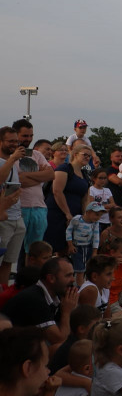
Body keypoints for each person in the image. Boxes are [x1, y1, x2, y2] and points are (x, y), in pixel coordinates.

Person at [10, 120, 55, 282]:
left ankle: (31, 282)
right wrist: (37, 177)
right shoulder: (9, 156)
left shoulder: (37, 155)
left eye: (31, 136)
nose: (28, 139)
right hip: (18, 208)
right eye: (24, 136)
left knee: (35, 253)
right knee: (15, 252)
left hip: (39, 208)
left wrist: (26, 178)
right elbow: (15, 180)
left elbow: (50, 175)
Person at [5, 257, 79, 347]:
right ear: (51, 278)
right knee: (59, 348)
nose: (73, 280)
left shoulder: (57, 294)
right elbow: (59, 340)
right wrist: (67, 311)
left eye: (73, 275)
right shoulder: (34, 299)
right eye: (68, 275)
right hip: (10, 351)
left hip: (26, 346)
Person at [43, 146, 93, 256]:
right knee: (50, 247)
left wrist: (84, 217)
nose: (87, 158)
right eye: (85, 154)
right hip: (57, 214)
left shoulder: (85, 175)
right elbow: (57, 191)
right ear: (75, 154)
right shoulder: (64, 168)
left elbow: (85, 198)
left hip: (74, 216)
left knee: (67, 249)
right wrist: (67, 213)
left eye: (89, 156)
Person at [1, 126, 32, 286]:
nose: (15, 144)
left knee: (9, 261)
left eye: (16, 141)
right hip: (3, 218)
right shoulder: (8, 161)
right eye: (11, 141)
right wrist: (13, 158)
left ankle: (4, 292)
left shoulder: (11, 161)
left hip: (16, 217)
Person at [65, 203, 104, 286]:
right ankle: (80, 287)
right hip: (77, 247)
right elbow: (68, 231)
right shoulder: (77, 219)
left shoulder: (95, 223)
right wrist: (70, 245)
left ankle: (88, 285)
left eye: (100, 215)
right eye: (96, 214)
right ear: (88, 212)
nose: (98, 218)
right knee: (80, 270)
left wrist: (94, 251)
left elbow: (96, 236)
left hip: (89, 247)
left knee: (89, 268)